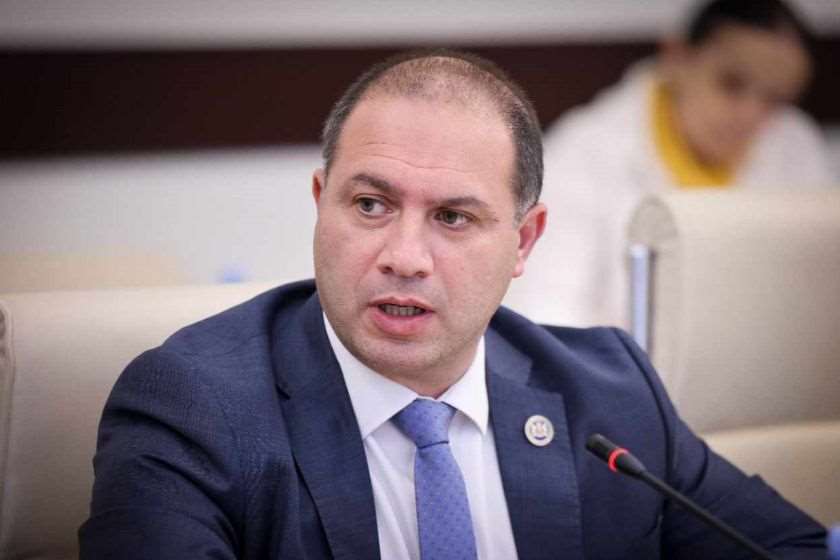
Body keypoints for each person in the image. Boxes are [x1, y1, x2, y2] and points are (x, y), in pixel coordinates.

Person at [79, 50, 827, 559]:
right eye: (370, 205)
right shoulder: (193, 406)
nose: (404, 256)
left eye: (453, 217)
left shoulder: (609, 395)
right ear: (320, 203)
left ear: (523, 241)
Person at [504, 0, 837, 328]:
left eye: (775, 99)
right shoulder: (580, 156)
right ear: (676, 57)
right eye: (732, 83)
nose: (750, 114)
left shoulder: (797, 148)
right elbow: (547, 317)